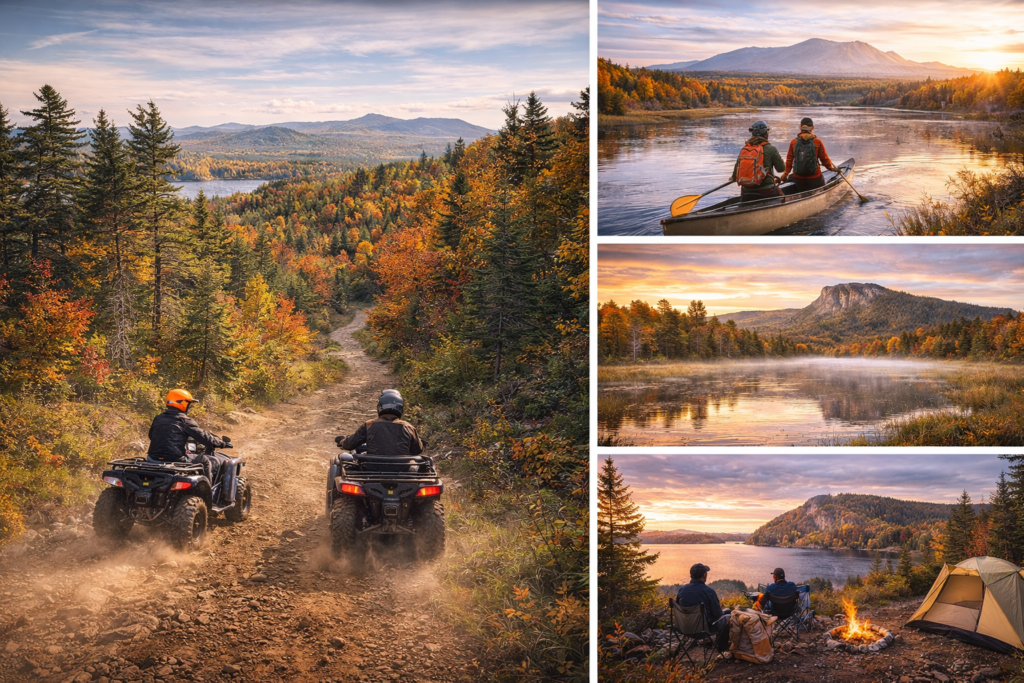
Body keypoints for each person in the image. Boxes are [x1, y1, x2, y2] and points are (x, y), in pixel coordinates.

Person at [147, 389, 232, 485]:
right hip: (175, 459)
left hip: (152, 459)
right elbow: (204, 438)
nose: (189, 407)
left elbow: (151, 436)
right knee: (205, 460)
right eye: (188, 403)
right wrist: (221, 443)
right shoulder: (185, 421)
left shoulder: (158, 418)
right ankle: (208, 492)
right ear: (182, 403)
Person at [337, 389, 425, 455]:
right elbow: (417, 450)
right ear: (401, 408)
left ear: (380, 407)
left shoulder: (369, 424)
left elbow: (349, 444)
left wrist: (342, 441)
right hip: (404, 471)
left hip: (371, 469)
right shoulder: (408, 427)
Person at [676, 563, 731, 652]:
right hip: (703, 630)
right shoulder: (709, 591)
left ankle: (713, 642)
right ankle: (722, 647)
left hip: (684, 627)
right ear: (704, 575)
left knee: (723, 614)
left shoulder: (682, 589)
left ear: (691, 575)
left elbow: (679, 606)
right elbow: (717, 614)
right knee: (727, 614)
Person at [730, 120, 785, 202]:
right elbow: (781, 169)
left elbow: (736, 170)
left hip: (746, 191)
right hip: (766, 191)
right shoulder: (771, 149)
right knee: (783, 198)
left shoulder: (745, 149)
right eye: (767, 131)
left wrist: (733, 177)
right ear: (765, 133)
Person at [781, 117, 835, 193]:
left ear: (800, 127)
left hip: (798, 179)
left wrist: (785, 173)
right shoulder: (817, 141)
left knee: (791, 178)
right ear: (812, 127)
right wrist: (831, 168)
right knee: (823, 184)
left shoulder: (793, 142)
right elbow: (825, 160)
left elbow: (789, 160)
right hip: (815, 178)